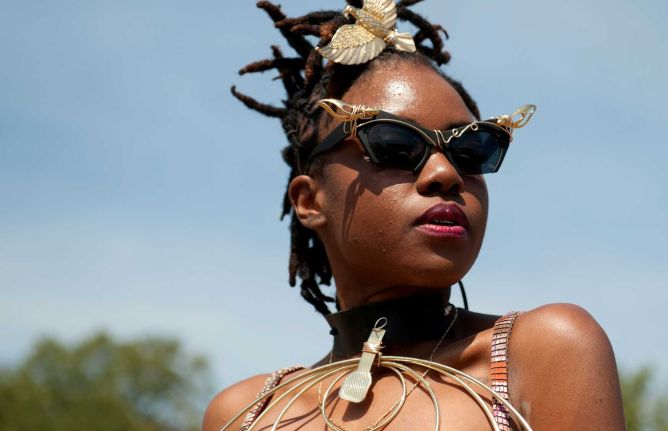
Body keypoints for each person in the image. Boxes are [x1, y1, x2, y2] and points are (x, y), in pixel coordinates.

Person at [203, 1, 626, 429]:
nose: (446, 174)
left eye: (471, 151)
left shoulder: (544, 352)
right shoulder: (247, 412)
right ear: (310, 201)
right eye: (394, 145)